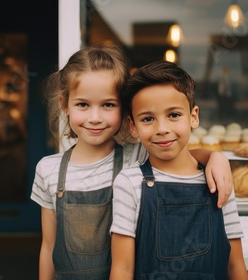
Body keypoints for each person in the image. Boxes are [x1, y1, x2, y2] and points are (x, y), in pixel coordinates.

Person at [31, 45, 235, 280]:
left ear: (124, 110)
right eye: (83, 105)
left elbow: (179, 154)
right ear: (64, 104)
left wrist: (214, 157)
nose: (95, 118)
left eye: (108, 105)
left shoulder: (135, 155)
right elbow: (48, 246)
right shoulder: (48, 170)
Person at [110, 60, 248, 279]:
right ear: (133, 126)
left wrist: (215, 156)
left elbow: (235, 265)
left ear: (193, 117)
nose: (162, 129)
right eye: (148, 119)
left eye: (174, 115)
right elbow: (122, 269)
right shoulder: (129, 183)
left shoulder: (217, 179)